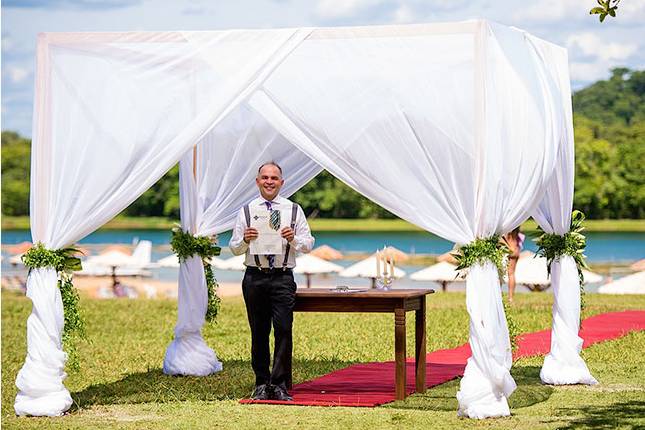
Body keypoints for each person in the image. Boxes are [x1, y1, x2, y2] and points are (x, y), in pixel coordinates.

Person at [229, 161, 314, 401]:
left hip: (282, 277)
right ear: (257, 181)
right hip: (254, 277)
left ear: (281, 182)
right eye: (264, 177)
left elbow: (308, 244)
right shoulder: (246, 210)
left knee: (284, 330)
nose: (269, 181)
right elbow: (234, 248)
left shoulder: (293, 210)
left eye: (274, 178)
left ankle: (279, 384)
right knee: (259, 331)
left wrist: (294, 239)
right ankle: (261, 383)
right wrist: (244, 240)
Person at [504, 227, 524, 303]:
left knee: (499, 275)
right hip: (516, 250)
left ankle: (498, 296)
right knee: (511, 274)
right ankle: (511, 298)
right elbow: (521, 236)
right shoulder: (518, 228)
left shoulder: (507, 227)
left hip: (508, 249)